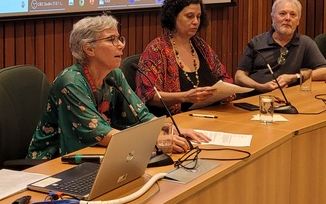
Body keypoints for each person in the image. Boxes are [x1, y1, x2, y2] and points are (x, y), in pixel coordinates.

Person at [26, 14, 207, 160]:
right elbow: (99, 132)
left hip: (98, 154)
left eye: (119, 38)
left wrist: (172, 129)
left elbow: (141, 114)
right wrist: (153, 140)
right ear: (89, 49)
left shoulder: (114, 74)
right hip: (53, 162)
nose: (120, 45)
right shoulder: (71, 82)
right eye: (112, 39)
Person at [137, 0, 234, 115]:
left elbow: (224, 77)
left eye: (198, 16)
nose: (195, 22)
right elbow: (149, 96)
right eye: (189, 16)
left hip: (212, 114)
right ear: (173, 17)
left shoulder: (201, 46)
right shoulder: (156, 50)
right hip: (177, 121)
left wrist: (226, 90)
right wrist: (185, 97)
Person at [234, 0, 326, 92]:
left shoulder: (305, 43)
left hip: (289, 97)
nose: (288, 18)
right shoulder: (256, 43)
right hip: (255, 97)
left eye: (293, 15)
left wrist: (295, 77)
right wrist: (260, 87)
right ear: (273, 18)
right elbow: (239, 76)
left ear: (298, 21)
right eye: (282, 14)